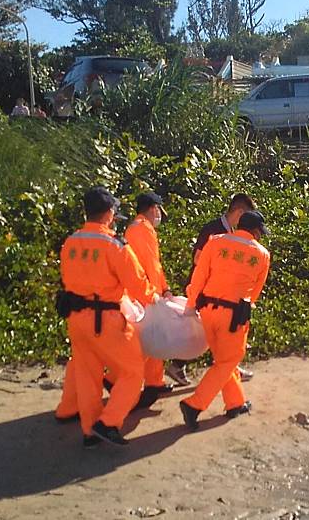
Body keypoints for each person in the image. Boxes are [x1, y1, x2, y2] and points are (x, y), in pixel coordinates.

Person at [56, 186, 157, 448]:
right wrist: (154, 298)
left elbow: (67, 279)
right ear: (110, 213)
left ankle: (90, 431)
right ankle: (109, 422)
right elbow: (137, 284)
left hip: (77, 318)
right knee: (133, 372)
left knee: (87, 374)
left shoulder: (71, 242)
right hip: (107, 320)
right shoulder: (115, 245)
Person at [179, 211, 271, 432]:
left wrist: (190, 305)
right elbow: (255, 293)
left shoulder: (215, 242)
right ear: (257, 232)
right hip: (232, 316)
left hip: (207, 310)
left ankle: (235, 403)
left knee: (223, 360)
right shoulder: (262, 254)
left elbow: (199, 275)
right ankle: (193, 405)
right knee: (230, 359)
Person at [166, 193, 257, 386]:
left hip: (219, 291)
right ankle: (178, 365)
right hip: (204, 290)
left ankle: (230, 368)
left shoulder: (233, 232)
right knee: (202, 332)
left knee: (216, 332)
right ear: (239, 212)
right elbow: (198, 259)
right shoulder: (213, 229)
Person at [122, 192, 174, 395]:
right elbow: (150, 266)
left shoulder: (135, 228)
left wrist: (165, 288)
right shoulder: (144, 229)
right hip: (144, 293)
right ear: (154, 208)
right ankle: (116, 379)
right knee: (147, 340)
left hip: (142, 291)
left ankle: (155, 381)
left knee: (153, 338)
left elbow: (155, 265)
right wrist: (155, 293)